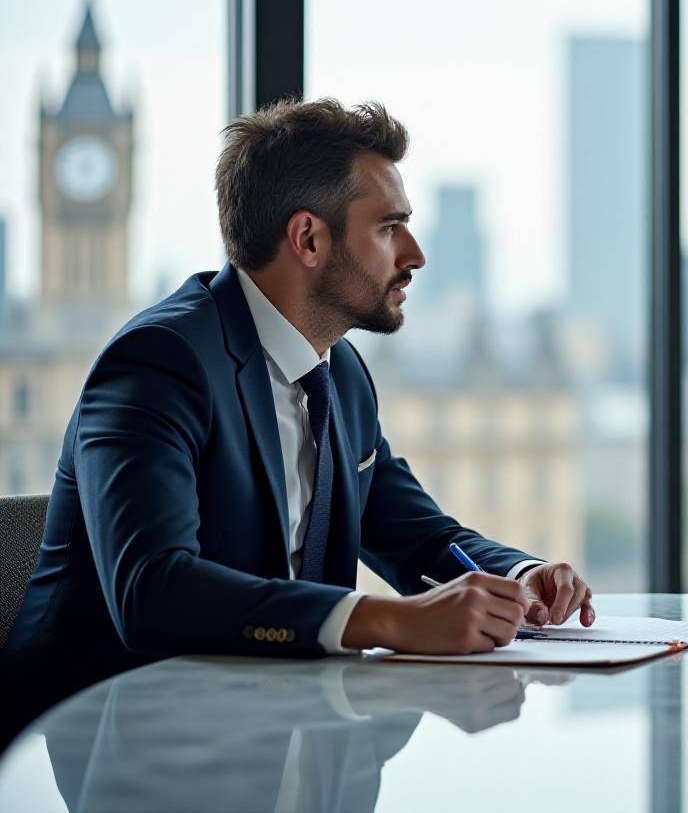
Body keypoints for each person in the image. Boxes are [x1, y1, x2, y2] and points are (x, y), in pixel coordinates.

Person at [0, 99, 595, 740]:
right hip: (101, 746)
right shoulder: (160, 362)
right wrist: (391, 620)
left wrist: (519, 575)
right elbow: (153, 592)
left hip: (272, 727)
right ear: (308, 237)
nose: (416, 254)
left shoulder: (341, 372)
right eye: (389, 227)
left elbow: (420, 536)